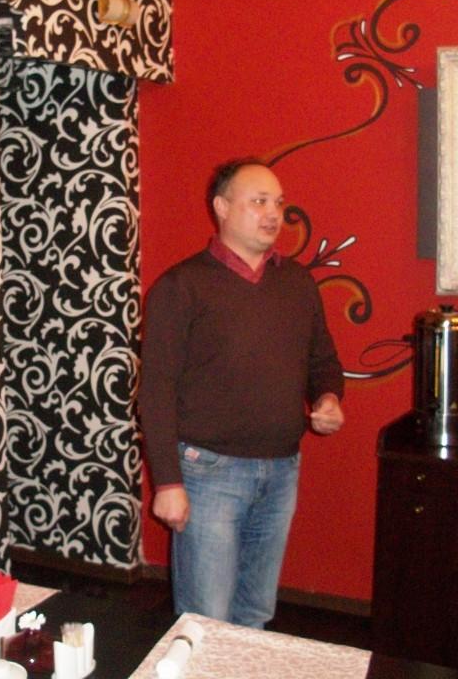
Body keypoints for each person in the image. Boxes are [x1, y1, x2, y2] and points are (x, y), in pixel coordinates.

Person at [139, 158, 345, 628]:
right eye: (259, 201)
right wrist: (167, 482)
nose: (273, 213)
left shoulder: (296, 282)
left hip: (281, 471)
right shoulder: (181, 286)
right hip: (208, 473)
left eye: (278, 203)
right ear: (222, 207)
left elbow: (323, 362)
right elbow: (156, 391)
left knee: (255, 612)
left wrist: (329, 398)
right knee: (206, 617)